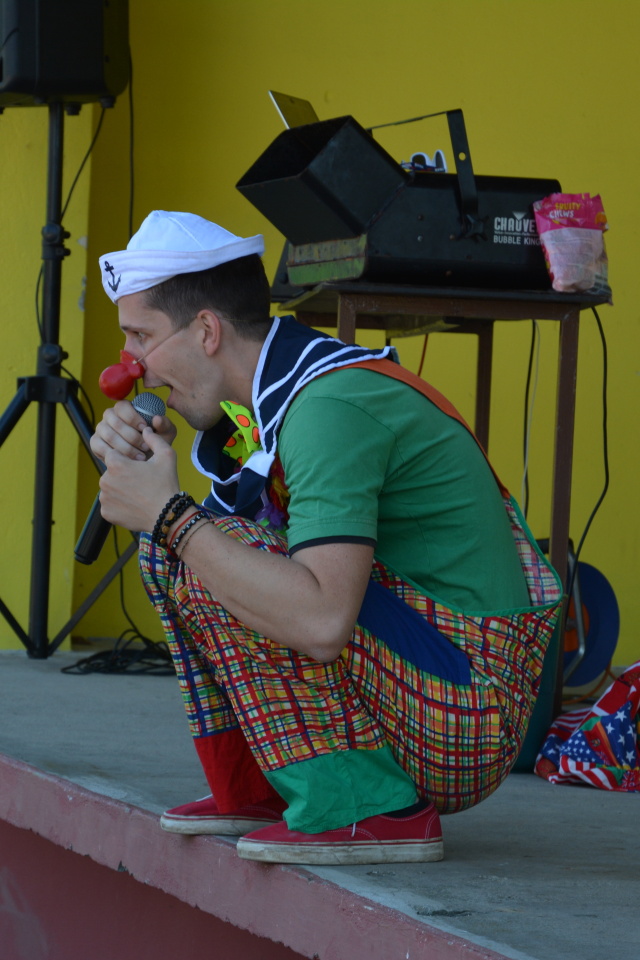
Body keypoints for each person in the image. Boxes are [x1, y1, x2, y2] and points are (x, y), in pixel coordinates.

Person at [91, 210, 562, 866]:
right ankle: (263, 790)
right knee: (176, 551)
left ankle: (370, 808)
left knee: (192, 544)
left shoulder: (328, 406)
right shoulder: (274, 403)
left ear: (206, 330)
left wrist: (168, 513)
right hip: (429, 680)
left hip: (468, 714)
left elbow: (320, 621)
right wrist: (158, 484)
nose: (131, 368)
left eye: (141, 338)